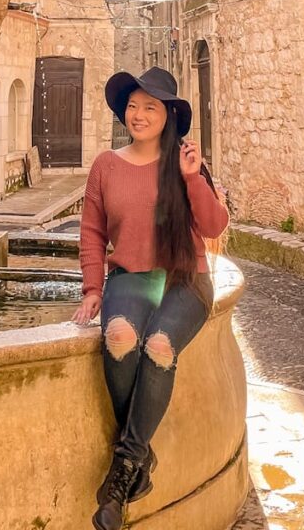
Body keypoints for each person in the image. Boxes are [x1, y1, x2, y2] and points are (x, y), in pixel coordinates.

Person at [72, 66, 229, 530]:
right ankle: (139, 458)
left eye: (151, 108)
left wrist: (192, 178)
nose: (139, 115)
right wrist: (93, 288)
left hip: (184, 280)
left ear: (168, 116)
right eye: (134, 106)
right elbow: (92, 232)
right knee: (119, 338)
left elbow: (215, 227)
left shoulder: (185, 164)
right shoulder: (106, 164)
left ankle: (123, 470)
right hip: (130, 280)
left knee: (159, 347)